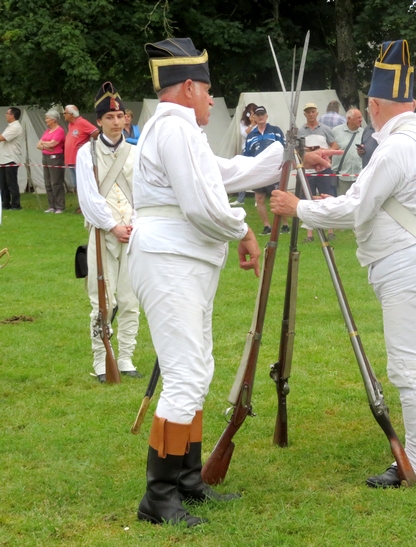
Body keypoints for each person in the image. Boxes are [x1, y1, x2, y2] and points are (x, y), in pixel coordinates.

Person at [272, 39, 416, 487]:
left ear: (374, 105)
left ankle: (412, 463)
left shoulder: (396, 147)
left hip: (404, 260)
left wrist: (299, 208)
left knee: (406, 367)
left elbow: (357, 208)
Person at [128, 37, 287, 527]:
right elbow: (201, 203)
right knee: (185, 375)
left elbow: (227, 172)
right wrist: (243, 230)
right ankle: (159, 498)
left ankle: (187, 483)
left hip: (183, 260)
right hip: (170, 258)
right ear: (191, 87)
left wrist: (283, 154)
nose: (211, 100)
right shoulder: (174, 130)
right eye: (208, 90)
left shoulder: (180, 132)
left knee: (196, 368)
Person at [76, 82, 142, 384]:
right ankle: (102, 360)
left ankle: (126, 357)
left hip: (133, 232)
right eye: (110, 118)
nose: (117, 122)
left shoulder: (137, 152)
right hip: (103, 233)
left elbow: (145, 193)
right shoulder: (85, 153)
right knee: (103, 302)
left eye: (120, 117)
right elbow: (88, 198)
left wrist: (134, 224)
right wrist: (112, 225)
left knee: (130, 300)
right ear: (100, 120)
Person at [243, 105, 289, 235]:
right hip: (259, 170)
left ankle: (284, 224)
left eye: (263, 114)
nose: (261, 117)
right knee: (259, 198)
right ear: (255, 118)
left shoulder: (275, 130)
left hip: (274, 170)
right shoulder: (251, 135)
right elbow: (248, 153)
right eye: (258, 115)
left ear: (267, 116)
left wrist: (283, 165)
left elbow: (283, 147)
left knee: (278, 196)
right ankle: (267, 226)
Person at [298, 102, 339, 242]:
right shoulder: (300, 131)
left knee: (326, 197)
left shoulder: (325, 129)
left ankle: (330, 230)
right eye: (308, 112)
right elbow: (296, 149)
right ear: (304, 114)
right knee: (308, 199)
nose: (310, 114)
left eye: (312, 111)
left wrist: (326, 154)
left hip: (324, 170)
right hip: (308, 170)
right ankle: (309, 234)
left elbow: (334, 144)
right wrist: (306, 152)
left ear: (317, 113)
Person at [64, 104, 99, 211]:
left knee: (82, 183)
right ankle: (82, 205)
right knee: (76, 184)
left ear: (71, 114)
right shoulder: (71, 125)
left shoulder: (82, 122)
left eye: (65, 113)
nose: (63, 115)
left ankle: (86, 206)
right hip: (70, 159)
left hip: (78, 159)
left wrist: (87, 143)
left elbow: (95, 131)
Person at [36, 109, 66, 213]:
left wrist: (45, 144)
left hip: (56, 158)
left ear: (53, 120)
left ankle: (59, 206)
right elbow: (38, 145)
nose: (46, 120)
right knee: (48, 182)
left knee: (56, 182)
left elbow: (53, 144)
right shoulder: (47, 131)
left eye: (47, 118)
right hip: (45, 157)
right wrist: (46, 146)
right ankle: (51, 206)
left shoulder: (59, 131)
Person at [331, 108, 364, 195]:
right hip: (342, 176)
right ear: (349, 119)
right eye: (358, 117)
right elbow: (330, 150)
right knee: (342, 201)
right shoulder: (336, 131)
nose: (361, 120)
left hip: (358, 176)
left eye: (361, 117)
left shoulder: (363, 133)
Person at [230, 102, 258, 206]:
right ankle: (240, 199)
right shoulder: (243, 122)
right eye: (250, 113)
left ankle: (257, 199)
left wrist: (256, 124)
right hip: (246, 150)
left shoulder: (260, 122)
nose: (252, 115)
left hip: (256, 150)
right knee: (242, 173)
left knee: (256, 173)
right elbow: (245, 134)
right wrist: (252, 124)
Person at [0, 107, 23, 211]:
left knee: (11, 184)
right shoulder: (10, 126)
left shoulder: (16, 127)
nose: (6, 115)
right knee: (3, 184)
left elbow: (2, 138)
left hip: (11, 159)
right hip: (4, 159)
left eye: (7, 113)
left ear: (12, 115)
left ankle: (16, 205)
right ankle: (5, 204)